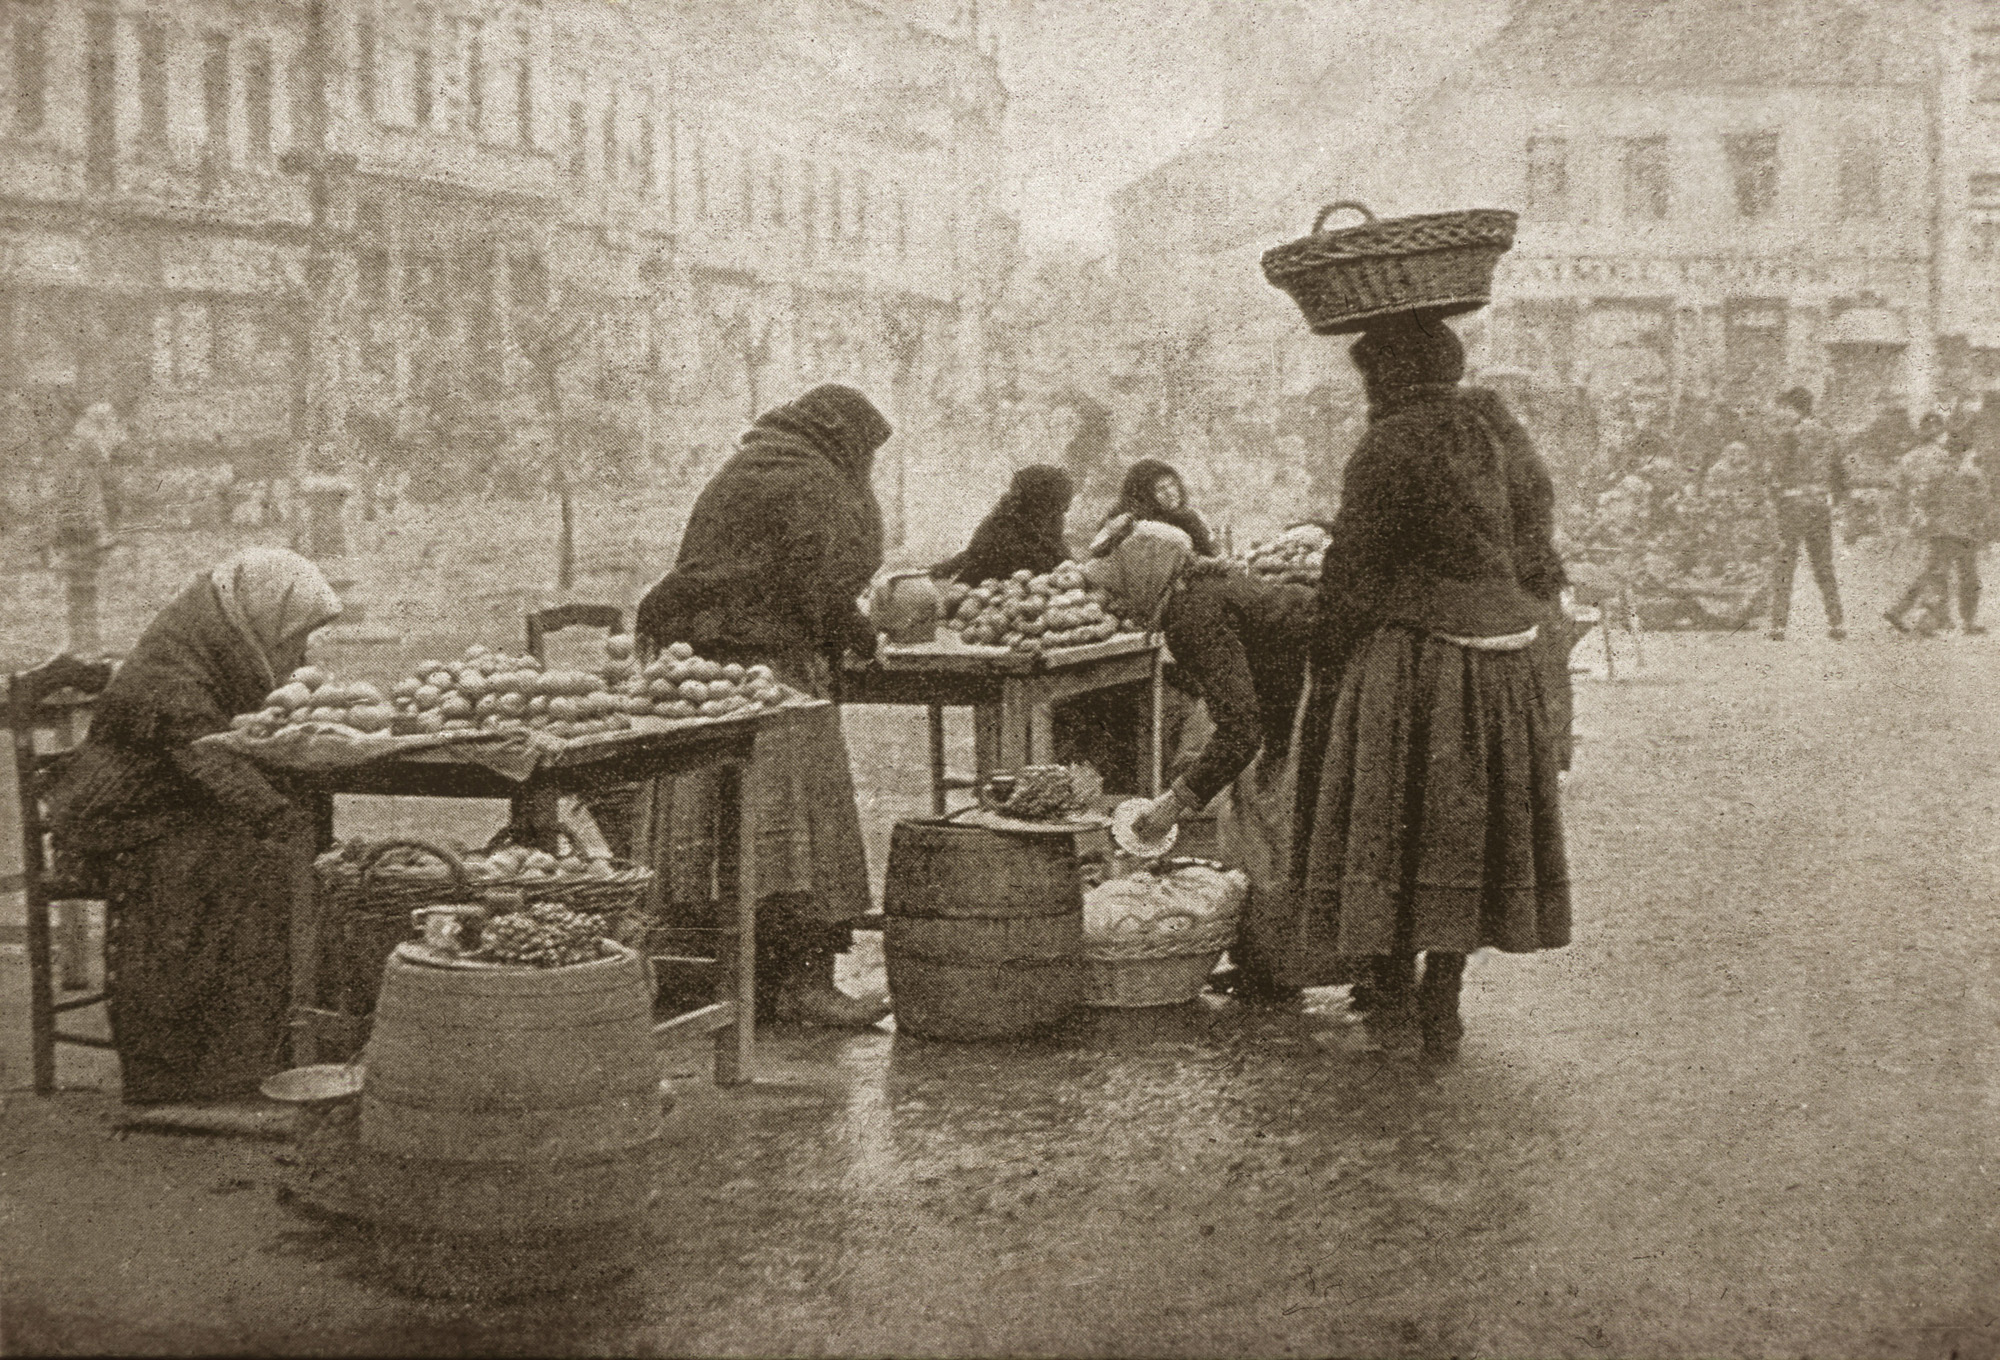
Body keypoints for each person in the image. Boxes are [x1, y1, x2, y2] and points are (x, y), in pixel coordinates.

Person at [1291, 315, 1572, 1058]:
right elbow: (1536, 545)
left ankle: (1392, 980)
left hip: (1417, 660)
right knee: (1466, 828)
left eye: (1368, 376)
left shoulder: (1388, 443)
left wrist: (1326, 659)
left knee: (1387, 817)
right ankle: (1443, 998)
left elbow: (1353, 564)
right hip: (1499, 663)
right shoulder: (1495, 432)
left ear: (1387, 377)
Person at [636, 384, 891, 1028]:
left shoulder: (750, 468)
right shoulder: (810, 483)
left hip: (699, 670)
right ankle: (804, 987)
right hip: (767, 674)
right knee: (798, 830)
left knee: (718, 836)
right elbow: (815, 580)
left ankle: (718, 979)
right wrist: (855, 634)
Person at [50, 548, 340, 1105]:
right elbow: (207, 758)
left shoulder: (214, 643)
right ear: (258, 616)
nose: (296, 652)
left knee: (285, 862)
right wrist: (280, 818)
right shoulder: (171, 672)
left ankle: (265, 1049)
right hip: (125, 823)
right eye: (290, 638)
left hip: (177, 807)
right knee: (258, 872)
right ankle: (193, 1070)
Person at [1094, 521, 1324, 1002]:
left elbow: (1240, 730)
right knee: (1266, 825)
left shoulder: (1191, 614)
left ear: (1144, 576)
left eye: (1116, 590)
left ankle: (1282, 969)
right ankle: (1270, 965)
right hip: (1304, 696)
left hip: (1320, 699)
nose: (1110, 604)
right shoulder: (1202, 587)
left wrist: (1172, 805)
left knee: (1276, 831)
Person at [1885, 414, 1988, 636]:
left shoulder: (1937, 472)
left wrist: (1930, 518)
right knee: (1967, 578)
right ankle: (1963, 623)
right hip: (1964, 533)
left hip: (1940, 531)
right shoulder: (1972, 474)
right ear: (1965, 451)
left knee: (1933, 576)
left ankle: (1903, 611)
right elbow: (1981, 503)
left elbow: (1924, 498)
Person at [1764, 386, 1848, 641]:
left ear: (1793, 408)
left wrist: (1774, 494)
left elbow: (1775, 473)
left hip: (1792, 505)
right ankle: (1836, 622)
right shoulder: (1829, 434)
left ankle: (1779, 625)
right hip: (1819, 505)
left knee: (1785, 564)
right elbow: (1841, 475)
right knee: (1823, 565)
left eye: (1784, 408)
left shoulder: (1788, 435)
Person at [935, 463, 1075, 585]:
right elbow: (975, 555)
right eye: (1057, 504)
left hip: (1039, 593)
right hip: (991, 593)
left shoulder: (1052, 520)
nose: (1066, 509)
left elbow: (1061, 555)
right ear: (1037, 500)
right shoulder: (998, 524)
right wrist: (948, 567)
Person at [1103, 458, 1219, 557]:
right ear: (1144, 496)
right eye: (1160, 489)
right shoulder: (1124, 522)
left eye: (1172, 484)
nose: (1170, 492)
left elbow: (1211, 557)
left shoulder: (1188, 518)